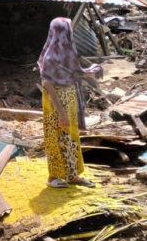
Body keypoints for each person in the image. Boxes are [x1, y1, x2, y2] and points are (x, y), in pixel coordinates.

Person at [38, 17, 103, 188]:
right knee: (56, 139)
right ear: (62, 33)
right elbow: (47, 84)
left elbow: (74, 73)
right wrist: (61, 113)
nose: (71, 32)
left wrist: (91, 70)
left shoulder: (67, 54)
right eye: (69, 29)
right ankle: (53, 177)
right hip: (56, 106)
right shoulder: (51, 57)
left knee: (71, 139)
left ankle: (72, 174)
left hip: (70, 103)